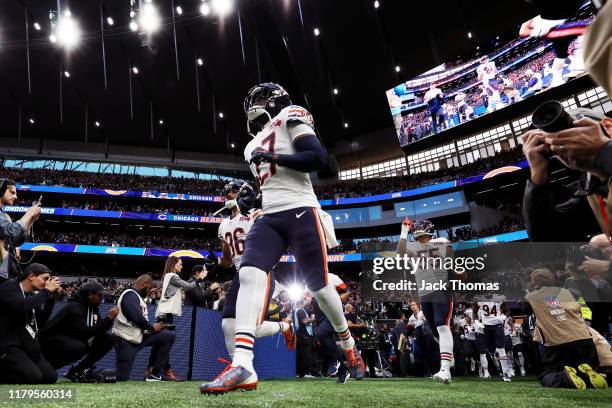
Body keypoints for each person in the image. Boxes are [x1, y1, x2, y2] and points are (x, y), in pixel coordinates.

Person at [200, 83, 365, 394]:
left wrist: (273, 156)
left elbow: (316, 158)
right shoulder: (251, 147)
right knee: (249, 272)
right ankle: (243, 364)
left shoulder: (291, 114)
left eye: (261, 98)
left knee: (318, 286)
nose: (255, 105)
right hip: (271, 215)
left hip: (301, 209)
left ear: (277, 98)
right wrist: (257, 202)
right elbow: (272, 182)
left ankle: (348, 343)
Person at [208, 181, 294, 361]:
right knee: (228, 323)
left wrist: (257, 212)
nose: (228, 196)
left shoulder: (257, 215)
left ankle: (285, 327)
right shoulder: (223, 225)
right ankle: (236, 367)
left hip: (259, 271)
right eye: (227, 192)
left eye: (233, 192)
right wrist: (215, 261)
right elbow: (228, 261)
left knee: (251, 326)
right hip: (240, 273)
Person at [521, 108, 612, 241]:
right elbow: (546, 240)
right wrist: (537, 176)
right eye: (552, 140)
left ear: (608, 127)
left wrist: (603, 150)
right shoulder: (588, 191)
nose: (563, 144)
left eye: (570, 132)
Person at [523, 268, 607, 389]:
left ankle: (564, 377)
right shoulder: (572, 292)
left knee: (547, 375)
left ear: (534, 281)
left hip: (557, 344)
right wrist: (586, 324)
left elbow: (525, 311)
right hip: (584, 340)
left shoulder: (531, 297)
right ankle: (588, 375)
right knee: (583, 368)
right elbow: (586, 309)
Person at [397, 219, 456, 384]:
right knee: (436, 331)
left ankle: (445, 370)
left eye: (421, 227)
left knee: (442, 325)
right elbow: (400, 253)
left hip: (441, 289)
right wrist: (403, 231)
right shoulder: (412, 247)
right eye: (416, 228)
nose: (418, 229)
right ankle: (448, 356)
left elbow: (449, 256)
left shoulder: (442, 242)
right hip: (425, 293)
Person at [38, 281, 117, 382]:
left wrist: (108, 321)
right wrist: (109, 319)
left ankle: (79, 370)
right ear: (89, 295)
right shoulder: (74, 307)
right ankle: (49, 367)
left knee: (107, 339)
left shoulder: (92, 308)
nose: (102, 298)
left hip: (71, 340)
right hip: (49, 344)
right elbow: (85, 333)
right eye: (99, 295)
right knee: (78, 346)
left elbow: (99, 330)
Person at [0, 263, 60, 384]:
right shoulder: (9, 287)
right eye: (45, 278)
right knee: (33, 377)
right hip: (8, 346)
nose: (47, 282)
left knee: (50, 377)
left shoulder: (31, 295)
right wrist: (47, 291)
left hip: (27, 345)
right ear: (32, 276)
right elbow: (21, 306)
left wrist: (51, 299)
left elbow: (40, 322)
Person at [112, 274, 176, 382]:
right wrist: (152, 328)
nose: (149, 291)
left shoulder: (137, 296)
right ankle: (96, 375)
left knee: (168, 336)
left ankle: (154, 373)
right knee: (122, 377)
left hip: (139, 336)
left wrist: (153, 329)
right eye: (150, 288)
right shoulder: (130, 294)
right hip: (126, 340)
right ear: (145, 284)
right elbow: (136, 317)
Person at [152, 255, 207, 381]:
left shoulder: (168, 276)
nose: (181, 266)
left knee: (161, 345)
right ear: (173, 264)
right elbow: (188, 286)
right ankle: (156, 372)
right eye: (179, 264)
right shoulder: (173, 276)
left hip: (164, 313)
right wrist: (199, 279)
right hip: (166, 315)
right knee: (164, 346)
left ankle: (154, 371)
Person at [0, 179, 42, 281]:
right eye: (12, 192)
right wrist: (29, 213)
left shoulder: (5, 215)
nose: (15, 197)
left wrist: (31, 221)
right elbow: (11, 231)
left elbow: (15, 241)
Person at [475, 295, 513, 382]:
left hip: (497, 325)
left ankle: (506, 373)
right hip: (486, 326)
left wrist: (504, 316)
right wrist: (477, 321)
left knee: (501, 348)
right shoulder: (478, 298)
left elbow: (507, 310)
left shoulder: (500, 297)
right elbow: (474, 311)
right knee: (491, 349)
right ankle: (495, 354)